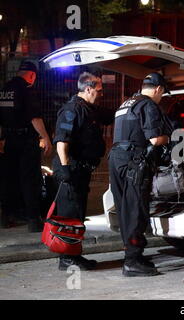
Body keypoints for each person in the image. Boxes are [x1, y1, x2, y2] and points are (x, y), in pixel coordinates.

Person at [109, 73, 170, 277]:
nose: (161, 97)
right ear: (158, 89)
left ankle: (132, 254)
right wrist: (168, 136)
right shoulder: (148, 105)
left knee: (125, 209)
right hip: (134, 162)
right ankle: (132, 262)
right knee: (136, 209)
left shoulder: (125, 104)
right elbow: (154, 139)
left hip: (117, 159)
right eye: (163, 93)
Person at [52, 71, 106, 271]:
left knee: (77, 216)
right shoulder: (72, 110)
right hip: (70, 170)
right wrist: (65, 169)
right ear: (88, 89)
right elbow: (62, 142)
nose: (101, 94)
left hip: (80, 170)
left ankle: (74, 255)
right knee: (69, 216)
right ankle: (66, 258)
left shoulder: (88, 109)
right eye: (98, 90)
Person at [0, 60, 52, 232]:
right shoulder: (26, 90)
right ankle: (33, 220)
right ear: (32, 75)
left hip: (8, 140)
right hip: (25, 141)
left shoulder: (6, 89)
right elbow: (35, 118)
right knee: (30, 179)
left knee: (9, 179)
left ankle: (6, 216)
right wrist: (45, 137)